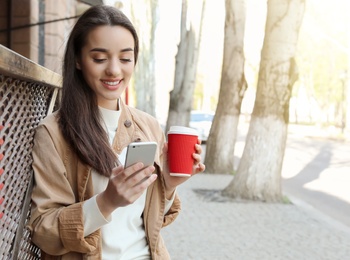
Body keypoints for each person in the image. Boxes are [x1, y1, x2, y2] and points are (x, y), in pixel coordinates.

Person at [28, 4, 205, 260]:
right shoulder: (53, 133)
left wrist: (169, 184)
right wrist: (106, 202)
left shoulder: (149, 125)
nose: (114, 70)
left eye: (125, 58)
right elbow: (43, 231)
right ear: (77, 60)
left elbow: (151, 223)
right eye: (99, 58)